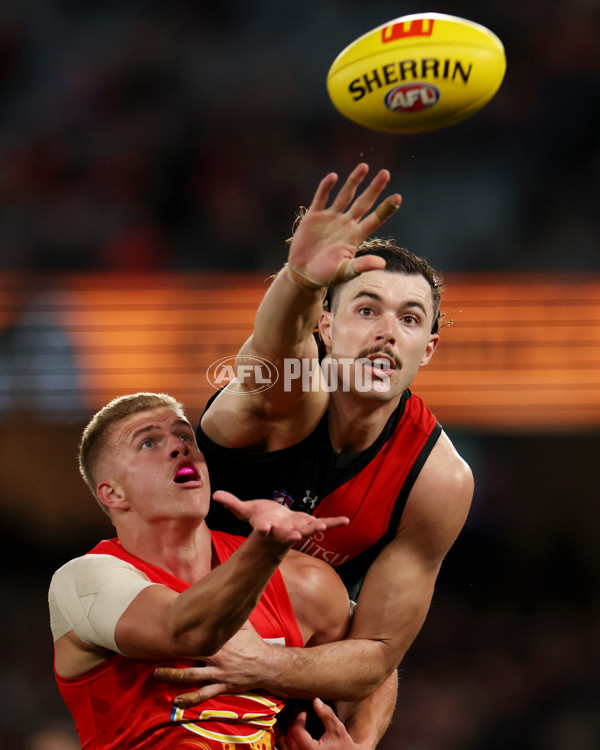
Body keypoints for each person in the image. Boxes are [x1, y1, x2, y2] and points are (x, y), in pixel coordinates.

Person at [155, 164, 474, 749]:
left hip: (275, 652)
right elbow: (273, 350)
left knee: (353, 627)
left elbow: (376, 655)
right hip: (164, 615)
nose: (386, 332)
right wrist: (300, 279)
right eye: (366, 309)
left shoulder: (438, 478)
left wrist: (261, 669)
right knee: (315, 586)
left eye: (408, 320)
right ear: (325, 325)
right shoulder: (287, 393)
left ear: (427, 349)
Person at [48, 391, 352, 749]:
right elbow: (187, 631)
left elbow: (376, 658)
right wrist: (265, 548)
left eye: (184, 435)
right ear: (113, 494)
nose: (179, 447)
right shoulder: (84, 582)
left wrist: (362, 739)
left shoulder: (300, 580)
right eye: (148, 442)